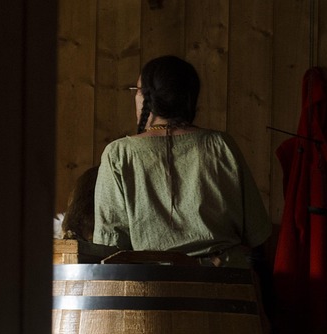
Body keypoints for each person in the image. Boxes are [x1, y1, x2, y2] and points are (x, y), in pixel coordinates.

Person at [93, 55, 271, 269]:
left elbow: (109, 244)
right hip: (225, 285)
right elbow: (257, 231)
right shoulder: (220, 145)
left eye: (137, 90)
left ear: (145, 98)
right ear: (190, 97)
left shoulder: (119, 154)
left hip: (151, 288)